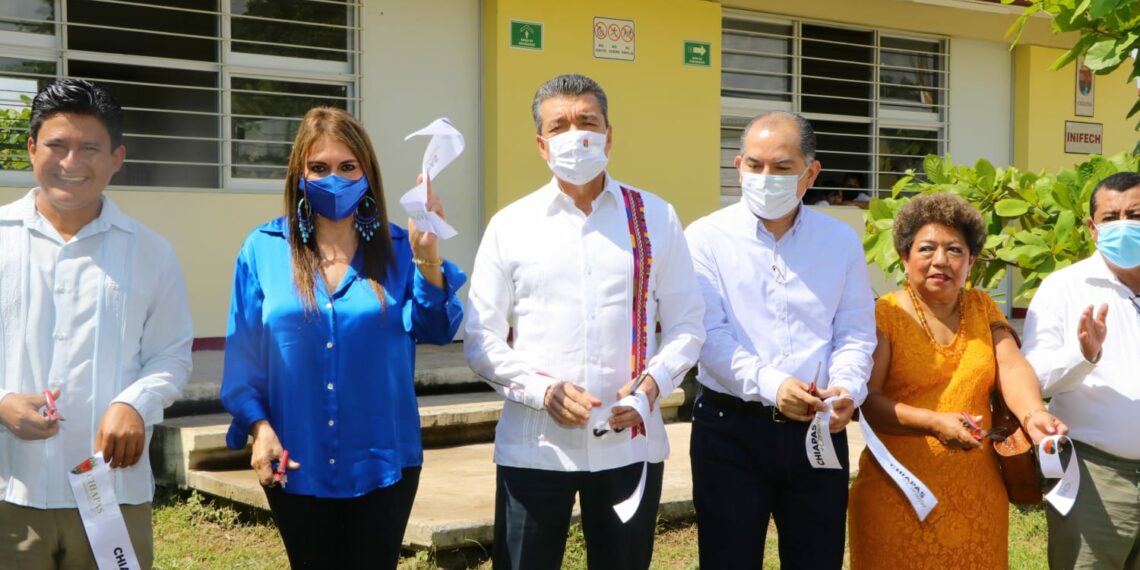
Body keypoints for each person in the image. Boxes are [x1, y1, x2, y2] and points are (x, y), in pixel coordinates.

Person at [464, 73, 705, 570]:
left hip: (627, 446)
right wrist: (542, 391)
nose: (575, 135)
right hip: (535, 448)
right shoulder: (510, 225)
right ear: (541, 144)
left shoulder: (655, 216)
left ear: (609, 135)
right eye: (560, 126)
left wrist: (653, 385)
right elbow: (481, 339)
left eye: (587, 122)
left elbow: (688, 325)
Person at [220, 106, 465, 569]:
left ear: (367, 174)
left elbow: (436, 327)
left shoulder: (400, 249)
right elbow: (243, 361)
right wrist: (259, 429)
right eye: (319, 167)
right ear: (300, 175)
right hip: (295, 460)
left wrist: (427, 256)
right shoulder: (262, 249)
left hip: (383, 460)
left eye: (347, 166)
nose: (334, 178)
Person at [0, 79, 193, 569]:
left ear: (117, 158)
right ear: (31, 149)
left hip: (112, 497)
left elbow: (171, 355)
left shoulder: (151, 252)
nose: (71, 162)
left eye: (89, 148)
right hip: (9, 491)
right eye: (57, 145)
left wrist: (134, 402)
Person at [684, 110, 876, 569]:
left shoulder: (840, 241)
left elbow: (854, 331)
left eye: (782, 167)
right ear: (738, 167)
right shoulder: (705, 238)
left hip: (818, 431)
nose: (766, 177)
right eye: (755, 165)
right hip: (729, 429)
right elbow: (708, 336)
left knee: (817, 558)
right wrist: (774, 385)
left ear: (811, 174)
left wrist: (847, 390)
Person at [848, 192, 1066, 569]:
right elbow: (868, 402)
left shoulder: (983, 307)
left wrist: (1034, 414)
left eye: (954, 250)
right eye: (926, 248)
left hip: (977, 497)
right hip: (897, 495)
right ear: (904, 256)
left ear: (971, 261)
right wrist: (933, 422)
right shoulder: (884, 314)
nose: (940, 260)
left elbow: (1012, 367)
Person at [1022, 171, 1140, 569]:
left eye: (1135, 215)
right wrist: (1083, 354)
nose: (1124, 225)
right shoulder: (1063, 287)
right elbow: (1034, 378)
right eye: (1111, 218)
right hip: (1094, 477)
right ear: (1092, 228)